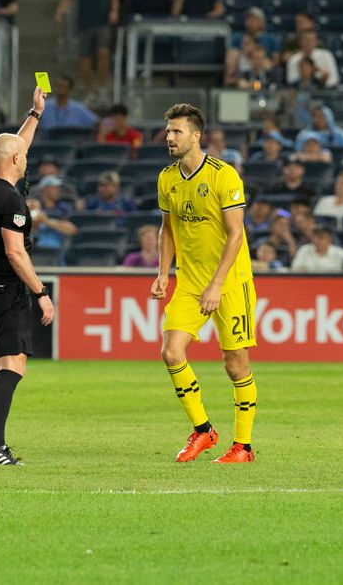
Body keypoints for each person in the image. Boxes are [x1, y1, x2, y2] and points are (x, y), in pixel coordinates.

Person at [150, 103, 258, 465]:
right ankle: (203, 431)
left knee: (235, 365)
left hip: (230, 282)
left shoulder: (223, 176)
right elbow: (168, 229)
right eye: (168, 131)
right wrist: (163, 272)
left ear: (196, 136)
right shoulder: (167, 178)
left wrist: (216, 284)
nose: (169, 137)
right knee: (171, 352)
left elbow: (236, 235)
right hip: (190, 281)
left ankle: (243, 447)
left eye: (177, 131)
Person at [0, 87, 55, 465]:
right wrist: (40, 292)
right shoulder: (10, 199)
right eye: (23, 155)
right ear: (17, 159)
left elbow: (14, 147)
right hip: (8, 290)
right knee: (13, 366)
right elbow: (14, 251)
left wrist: (34, 114)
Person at [54, 0, 119, 105]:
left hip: (102, 21)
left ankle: (103, 89)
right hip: (84, 23)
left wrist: (114, 11)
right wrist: (60, 10)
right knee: (85, 60)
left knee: (103, 54)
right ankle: (89, 91)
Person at [28, 176, 78, 263]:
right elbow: (31, 224)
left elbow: (71, 229)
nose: (58, 190)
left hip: (58, 248)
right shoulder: (35, 205)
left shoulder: (64, 207)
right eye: (55, 188)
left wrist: (46, 221)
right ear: (46, 189)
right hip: (37, 248)